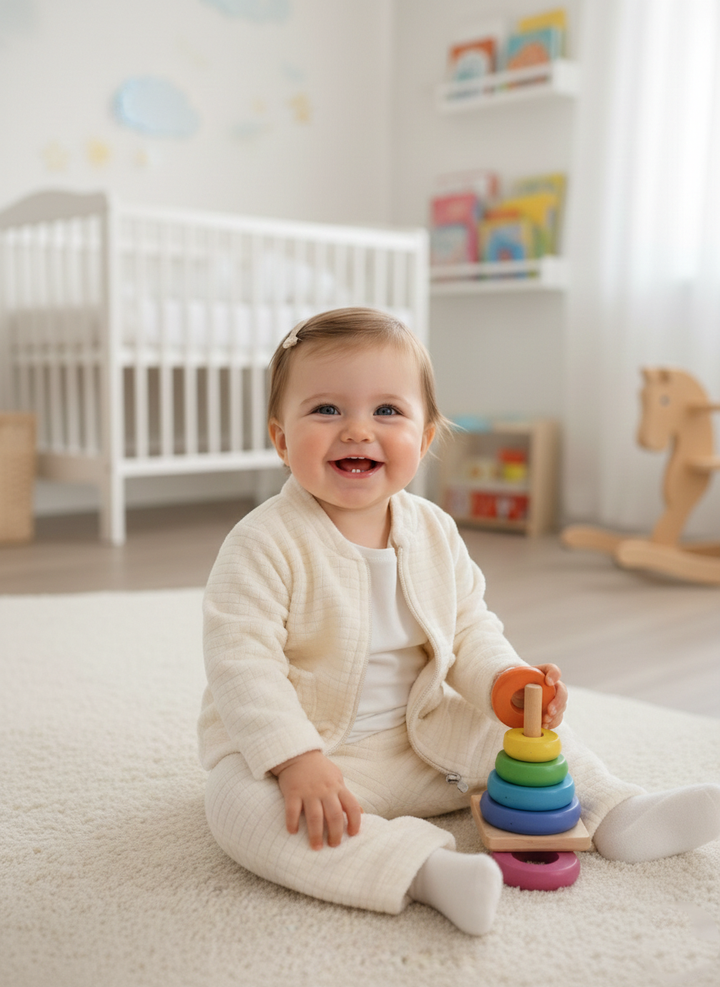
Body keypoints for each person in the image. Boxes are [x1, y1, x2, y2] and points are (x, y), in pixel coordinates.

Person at [198, 307, 720, 936]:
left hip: (424, 737)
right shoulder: (264, 542)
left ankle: (617, 813)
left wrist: (504, 683)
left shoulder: (434, 531)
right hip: (316, 752)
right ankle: (421, 871)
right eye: (327, 410)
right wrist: (294, 758)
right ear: (282, 440)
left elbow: (471, 628)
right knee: (240, 809)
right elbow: (241, 661)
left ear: (423, 440)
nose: (358, 430)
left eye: (387, 411)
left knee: (525, 742)